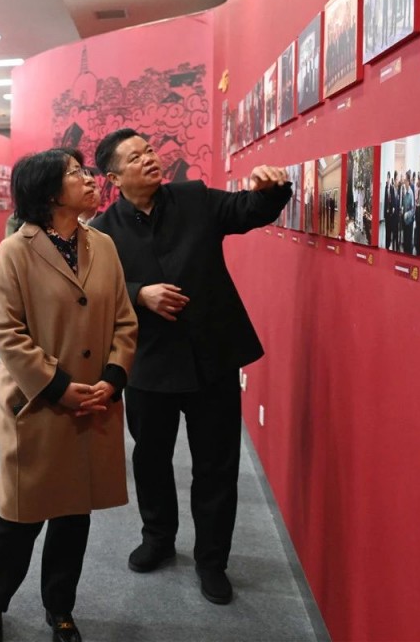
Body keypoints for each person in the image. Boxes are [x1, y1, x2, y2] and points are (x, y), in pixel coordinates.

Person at [90, 128, 291, 606]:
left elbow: (248, 210)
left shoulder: (193, 198)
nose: (149, 159)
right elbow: (93, 291)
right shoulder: (101, 232)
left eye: (149, 151)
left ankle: (212, 561)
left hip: (210, 357)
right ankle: (158, 538)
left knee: (216, 466)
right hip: (147, 363)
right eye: (135, 157)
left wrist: (271, 190)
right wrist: (140, 294)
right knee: (151, 460)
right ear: (114, 178)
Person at [0, 149, 137, 642]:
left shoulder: (103, 244)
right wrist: (60, 387)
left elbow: (124, 320)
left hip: (94, 403)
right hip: (40, 403)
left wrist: (114, 376)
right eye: (74, 173)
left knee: (73, 515)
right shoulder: (16, 250)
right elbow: (7, 333)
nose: (89, 179)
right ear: (48, 192)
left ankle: (60, 607)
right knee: (20, 516)